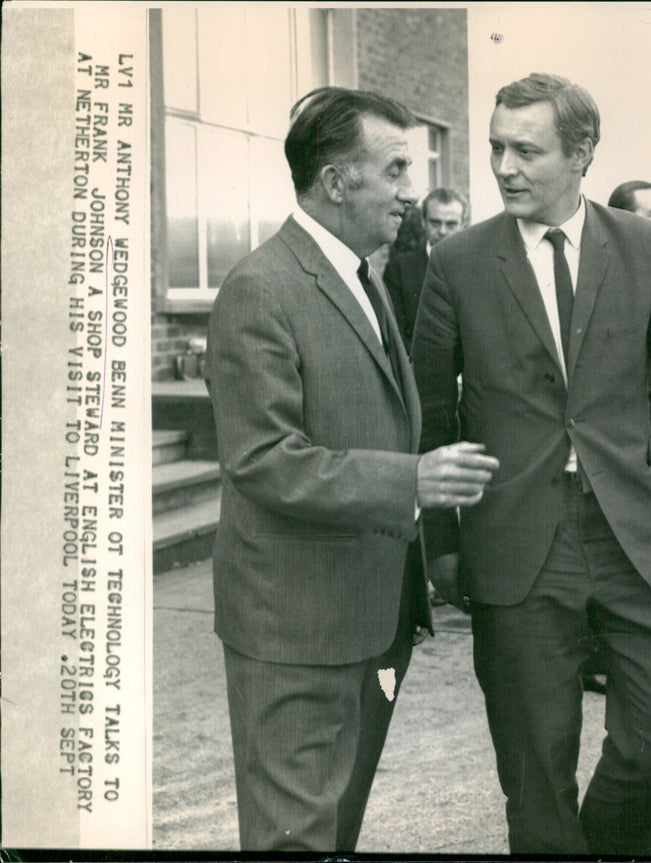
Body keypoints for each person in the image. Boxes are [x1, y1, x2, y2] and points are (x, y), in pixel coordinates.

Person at [412, 73, 651, 856]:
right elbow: (431, 415)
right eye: (496, 147)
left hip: (631, 528)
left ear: (582, 154)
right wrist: (444, 539)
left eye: (527, 149)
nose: (503, 166)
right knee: (535, 765)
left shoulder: (642, 246)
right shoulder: (457, 261)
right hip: (516, 540)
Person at [205, 86, 497, 852]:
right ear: (336, 182)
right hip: (298, 635)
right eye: (396, 169)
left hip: (368, 626)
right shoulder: (260, 289)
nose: (409, 191)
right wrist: (413, 481)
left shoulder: (360, 277)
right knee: (293, 840)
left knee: (331, 833)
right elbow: (264, 461)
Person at [384, 188, 468, 351]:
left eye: (451, 224)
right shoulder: (399, 269)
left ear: (463, 225)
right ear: (423, 221)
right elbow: (395, 334)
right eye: (435, 223)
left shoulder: (477, 271)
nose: (443, 231)